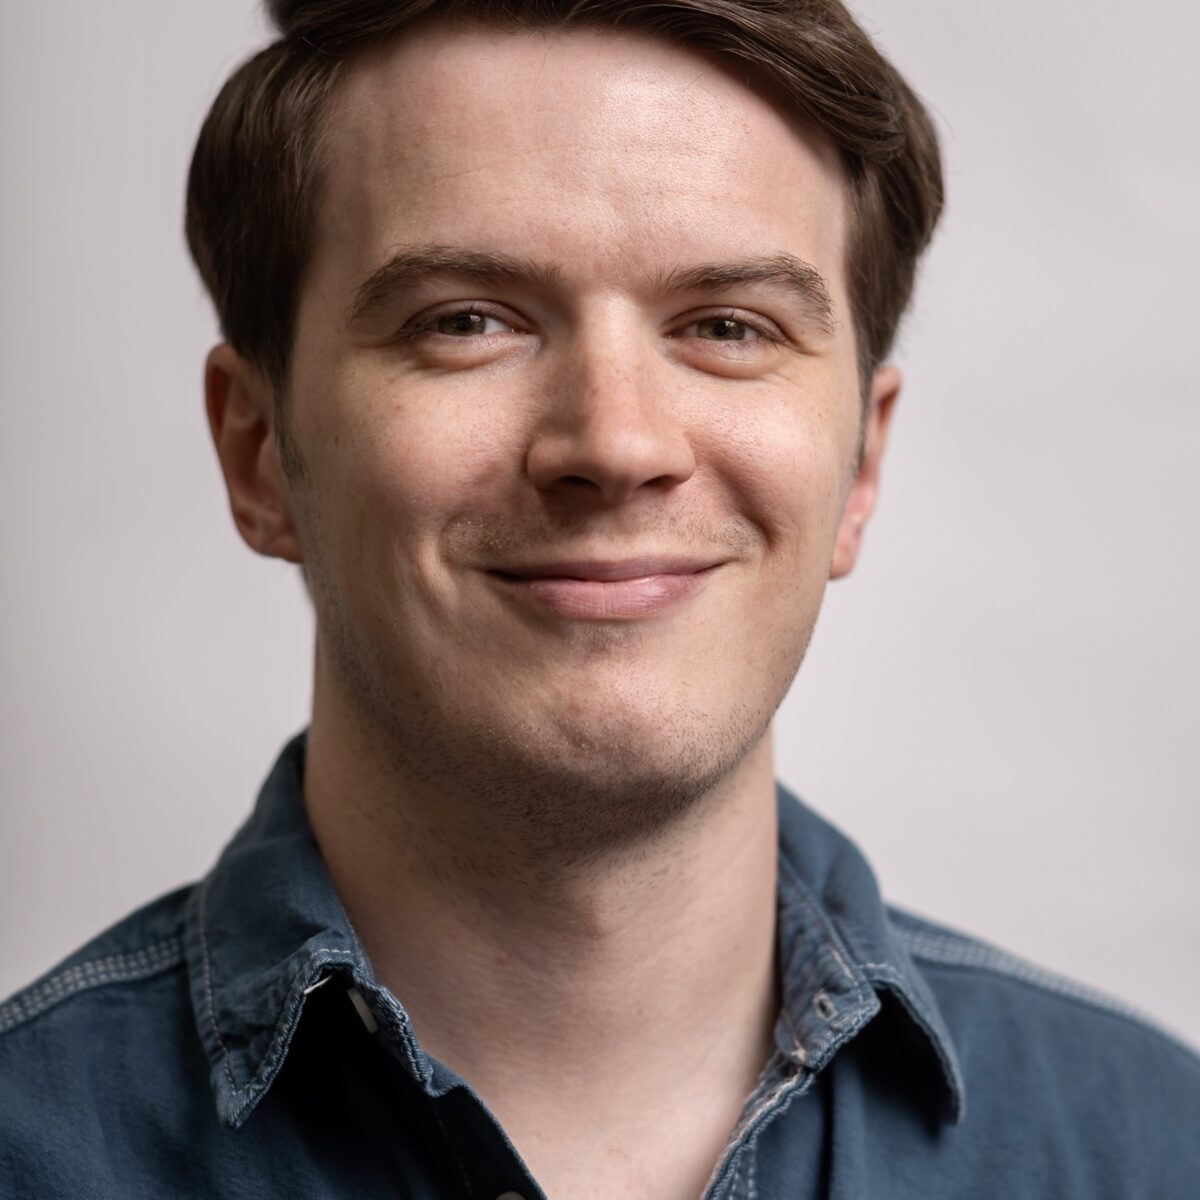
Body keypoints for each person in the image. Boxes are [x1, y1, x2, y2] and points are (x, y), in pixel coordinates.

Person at [1, 0, 1197, 1196]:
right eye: (466, 321)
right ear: (259, 452)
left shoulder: (1151, 1149)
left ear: (860, 468)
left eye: (729, 326)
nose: (616, 442)